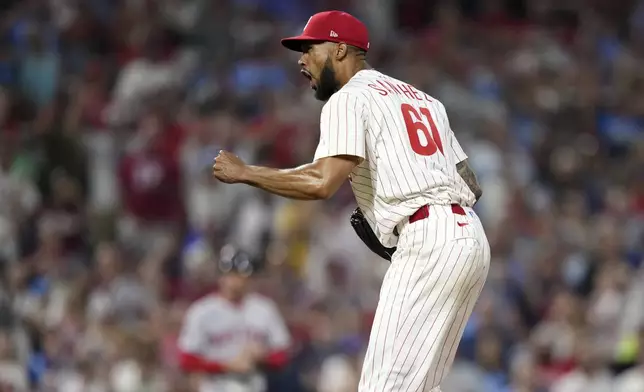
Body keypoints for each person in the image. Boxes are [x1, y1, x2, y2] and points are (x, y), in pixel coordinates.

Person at [213, 10, 490, 392]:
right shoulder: (427, 101)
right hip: (470, 238)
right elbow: (470, 183)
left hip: (428, 238)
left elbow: (322, 181)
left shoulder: (348, 98)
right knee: (422, 386)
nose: (301, 60)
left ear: (340, 49)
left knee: (383, 386)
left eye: (311, 48)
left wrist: (247, 173)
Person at [177, 245, 291, 392]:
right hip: (217, 386)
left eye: (241, 275)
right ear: (220, 276)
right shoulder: (202, 311)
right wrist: (226, 365)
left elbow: (282, 356)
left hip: (252, 385)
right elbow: (186, 360)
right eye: (231, 274)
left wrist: (262, 358)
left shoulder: (265, 309)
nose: (236, 280)